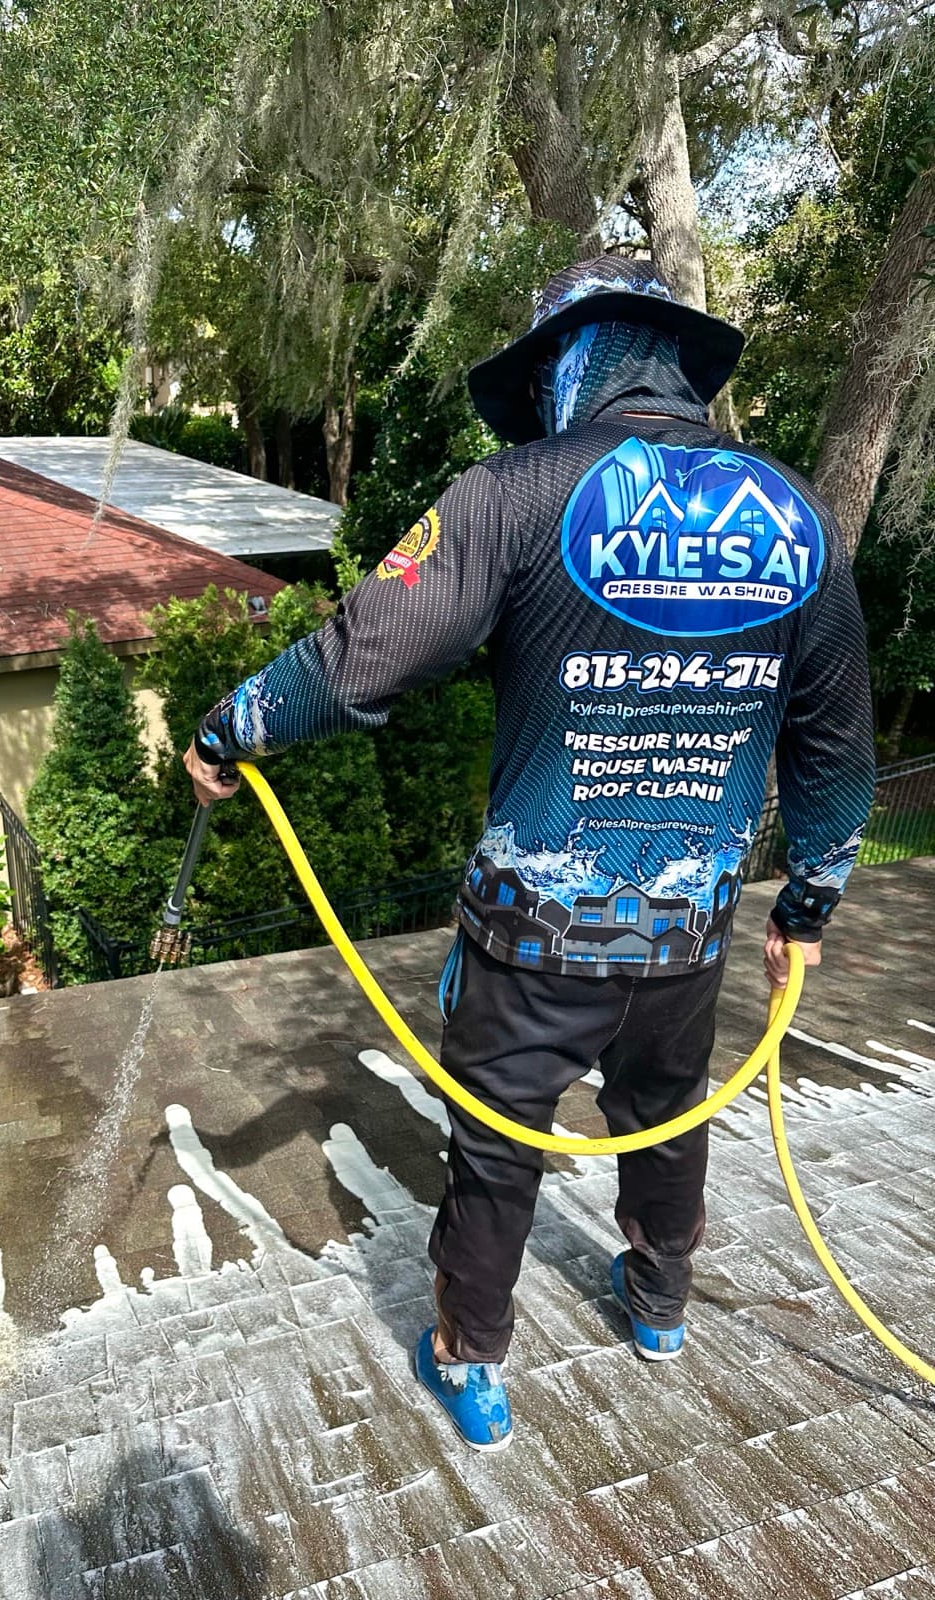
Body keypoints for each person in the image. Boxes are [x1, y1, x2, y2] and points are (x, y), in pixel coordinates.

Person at [183, 257, 876, 1454]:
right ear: (670, 364)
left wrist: (232, 723)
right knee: (664, 1110)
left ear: (567, 366)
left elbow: (367, 653)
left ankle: (471, 1360)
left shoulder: (514, 492)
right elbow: (837, 737)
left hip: (535, 927)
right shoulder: (794, 512)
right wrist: (809, 898)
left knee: (497, 1145)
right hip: (690, 922)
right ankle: (659, 1308)